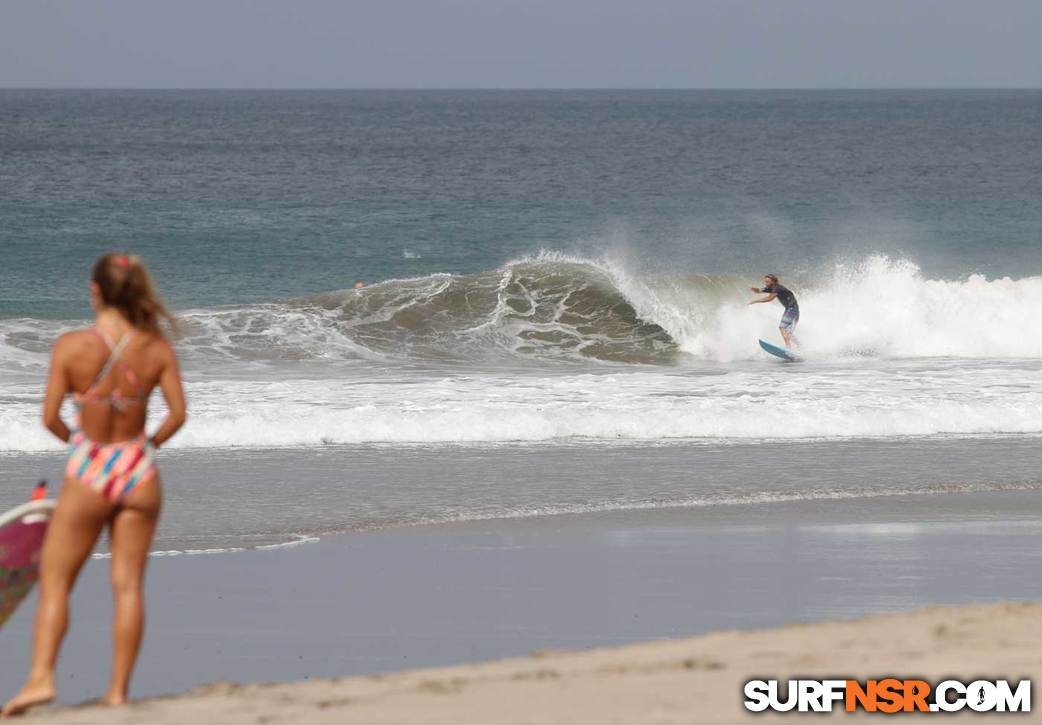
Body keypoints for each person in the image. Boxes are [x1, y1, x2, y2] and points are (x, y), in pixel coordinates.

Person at [3, 253, 186, 716]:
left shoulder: (71, 346)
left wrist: (80, 446)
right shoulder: (156, 347)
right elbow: (177, 414)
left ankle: (41, 679)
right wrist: (147, 448)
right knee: (127, 587)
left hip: (90, 470)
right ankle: (118, 693)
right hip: (138, 468)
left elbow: (48, 418)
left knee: (56, 581)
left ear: (96, 291)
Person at [748, 273, 799, 348]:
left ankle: (788, 347)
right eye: (765, 281)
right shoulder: (772, 288)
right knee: (788, 332)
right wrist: (753, 289)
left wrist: (755, 301)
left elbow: (769, 298)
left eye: (767, 282)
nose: (765, 283)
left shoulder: (777, 288)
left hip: (792, 310)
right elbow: (759, 291)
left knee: (782, 328)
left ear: (773, 282)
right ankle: (800, 346)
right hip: (793, 310)